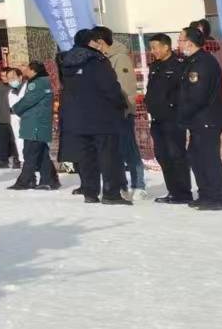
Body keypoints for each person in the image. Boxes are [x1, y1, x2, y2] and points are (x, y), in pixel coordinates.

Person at [58, 30, 131, 203]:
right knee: (108, 156)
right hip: (101, 117)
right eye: (95, 41)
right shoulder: (97, 61)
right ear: (89, 42)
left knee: (86, 157)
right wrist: (121, 103)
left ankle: (90, 192)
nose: (98, 44)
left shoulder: (65, 62)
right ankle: (111, 193)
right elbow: (110, 87)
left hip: (76, 119)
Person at [177, 22, 222, 210]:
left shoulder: (203, 63)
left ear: (190, 43)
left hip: (207, 119)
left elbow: (197, 95)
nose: (179, 44)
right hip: (197, 120)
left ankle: (215, 196)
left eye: (181, 40)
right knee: (196, 157)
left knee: (208, 158)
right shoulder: (192, 62)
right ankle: (205, 193)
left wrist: (181, 114)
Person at [94, 27, 146, 192]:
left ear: (100, 42)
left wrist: (121, 109)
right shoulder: (103, 58)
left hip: (121, 112)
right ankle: (118, 184)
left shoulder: (120, 58)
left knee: (129, 148)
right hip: (107, 114)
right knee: (113, 151)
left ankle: (138, 185)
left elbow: (125, 88)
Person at [145, 33, 191, 204]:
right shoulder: (155, 66)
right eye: (151, 48)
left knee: (176, 154)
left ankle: (183, 193)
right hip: (157, 119)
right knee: (162, 155)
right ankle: (173, 191)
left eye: (155, 47)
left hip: (174, 118)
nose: (153, 51)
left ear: (166, 47)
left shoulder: (180, 65)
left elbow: (185, 92)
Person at [9, 62, 57, 189]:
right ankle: (49, 180)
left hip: (34, 122)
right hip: (40, 122)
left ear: (33, 70)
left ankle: (26, 180)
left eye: (26, 68)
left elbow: (28, 100)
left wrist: (14, 109)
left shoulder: (36, 83)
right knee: (41, 153)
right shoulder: (45, 81)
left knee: (30, 152)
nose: (24, 70)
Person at [0, 68, 22, 170]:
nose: (4, 78)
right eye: (2, 76)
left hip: (13, 118)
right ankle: (3, 160)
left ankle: (17, 160)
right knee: (1, 141)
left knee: (15, 140)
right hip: (1, 118)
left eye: (5, 76)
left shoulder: (16, 87)